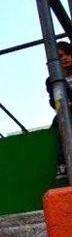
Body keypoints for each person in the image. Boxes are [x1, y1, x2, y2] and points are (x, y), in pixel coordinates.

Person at [47, 40, 72, 182]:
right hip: (66, 113)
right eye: (60, 56)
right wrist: (64, 106)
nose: (65, 58)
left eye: (68, 54)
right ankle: (62, 163)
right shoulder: (52, 79)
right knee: (59, 121)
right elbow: (53, 100)